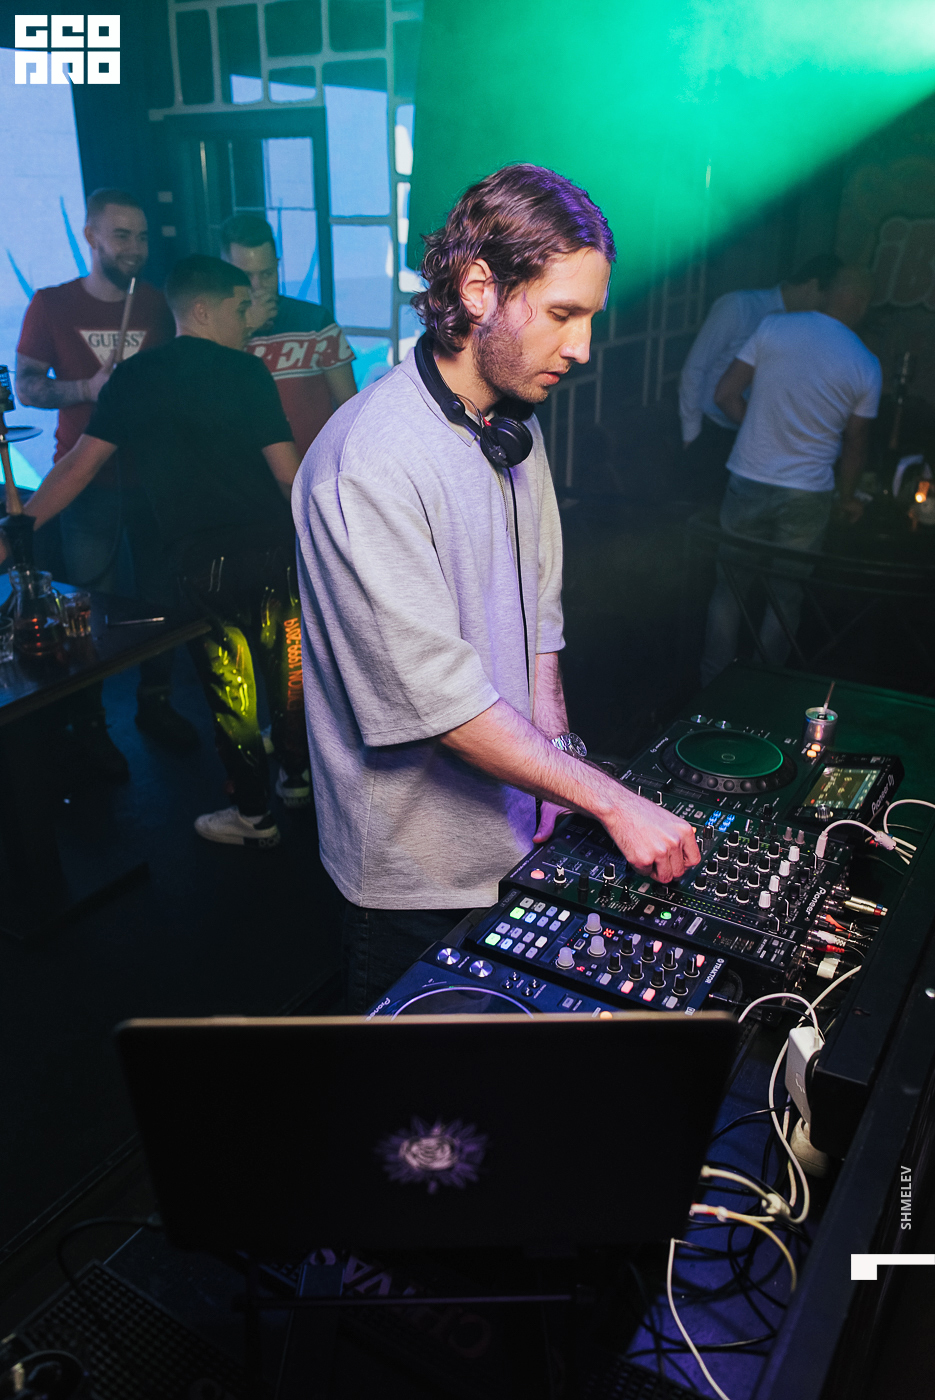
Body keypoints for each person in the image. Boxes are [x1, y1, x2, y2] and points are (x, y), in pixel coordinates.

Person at [293, 163, 700, 1013]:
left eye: (589, 318)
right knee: (415, 1093)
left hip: (516, 838)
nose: (581, 348)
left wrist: (555, 763)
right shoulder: (366, 464)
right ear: (479, 289)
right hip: (413, 876)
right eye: (561, 314)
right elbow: (441, 706)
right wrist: (611, 802)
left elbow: (537, 614)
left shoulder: (510, 428)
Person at [4, 256, 307, 847]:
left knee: (232, 690)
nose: (250, 318)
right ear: (203, 310)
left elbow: (78, 466)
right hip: (273, 549)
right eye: (241, 306)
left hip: (200, 561)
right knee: (289, 672)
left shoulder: (136, 377)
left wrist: (17, 531)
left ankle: (254, 815)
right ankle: (296, 781)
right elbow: (287, 475)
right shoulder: (247, 372)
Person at [15, 187, 198, 763]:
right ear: (91, 236)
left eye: (142, 237)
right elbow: (26, 386)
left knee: (161, 599)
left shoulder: (159, 304)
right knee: (88, 608)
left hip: (155, 482)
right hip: (85, 483)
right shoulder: (52, 304)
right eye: (122, 236)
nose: (135, 248)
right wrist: (87, 388)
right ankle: (92, 722)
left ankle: (156, 703)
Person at [699, 266, 882, 685]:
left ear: (830, 292)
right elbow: (856, 444)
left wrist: (756, 429)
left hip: (749, 475)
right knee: (785, 597)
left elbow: (725, 394)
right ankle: (766, 688)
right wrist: (848, 498)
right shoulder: (865, 363)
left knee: (730, 589)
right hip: (808, 493)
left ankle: (712, 687)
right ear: (862, 304)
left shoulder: (774, 327)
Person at [678, 254, 843, 503]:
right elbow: (695, 368)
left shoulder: (801, 327)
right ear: (812, 286)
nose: (824, 310)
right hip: (712, 432)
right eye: (825, 300)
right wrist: (691, 435)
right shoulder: (739, 306)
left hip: (752, 440)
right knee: (700, 513)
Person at [219, 213, 357, 458]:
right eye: (246, 276)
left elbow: (350, 409)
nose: (258, 286)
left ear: (277, 265)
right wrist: (246, 326)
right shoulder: (215, 331)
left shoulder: (315, 322)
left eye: (267, 274)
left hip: (312, 467)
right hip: (243, 472)